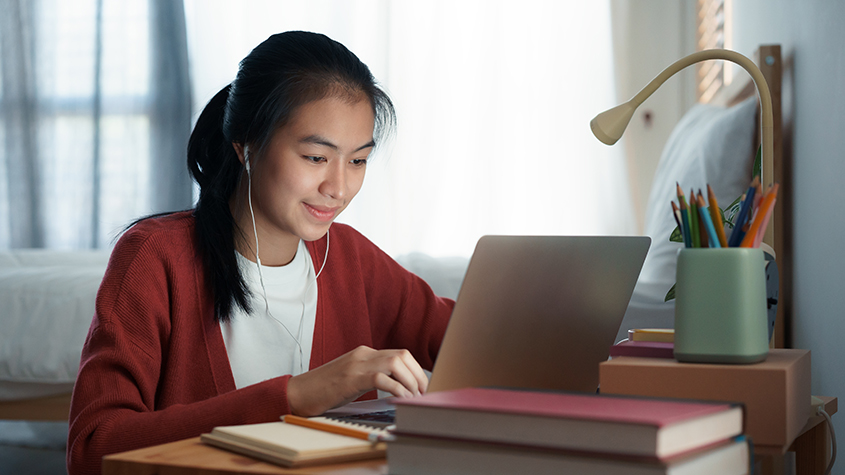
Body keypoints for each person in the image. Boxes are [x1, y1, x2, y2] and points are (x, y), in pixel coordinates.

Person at [67, 31, 454, 475]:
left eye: (358, 160)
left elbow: (467, 342)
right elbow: (93, 449)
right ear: (246, 146)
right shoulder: (155, 257)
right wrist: (294, 396)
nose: (339, 189)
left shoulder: (350, 258)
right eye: (315, 157)